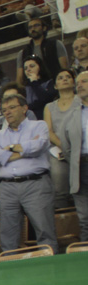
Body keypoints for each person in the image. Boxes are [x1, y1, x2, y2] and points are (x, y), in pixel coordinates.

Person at [0, 94, 58, 253]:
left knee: (44, 230)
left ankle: (50, 268)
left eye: (12, 107)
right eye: (4, 110)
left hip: (35, 183)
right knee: (8, 235)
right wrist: (25, 150)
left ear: (24, 108)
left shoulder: (38, 126)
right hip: (7, 187)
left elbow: (39, 145)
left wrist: (10, 148)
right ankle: (9, 272)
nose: (8, 112)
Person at [43, 69, 82, 210]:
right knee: (59, 186)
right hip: (58, 150)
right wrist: (64, 148)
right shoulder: (49, 107)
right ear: (55, 85)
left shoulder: (81, 101)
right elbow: (49, 131)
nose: (64, 79)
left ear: (74, 82)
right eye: (60, 78)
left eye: (68, 77)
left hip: (81, 148)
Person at [71, 71, 88, 241]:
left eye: (84, 81)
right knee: (84, 219)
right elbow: (67, 143)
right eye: (78, 83)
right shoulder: (74, 113)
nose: (80, 85)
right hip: (81, 166)